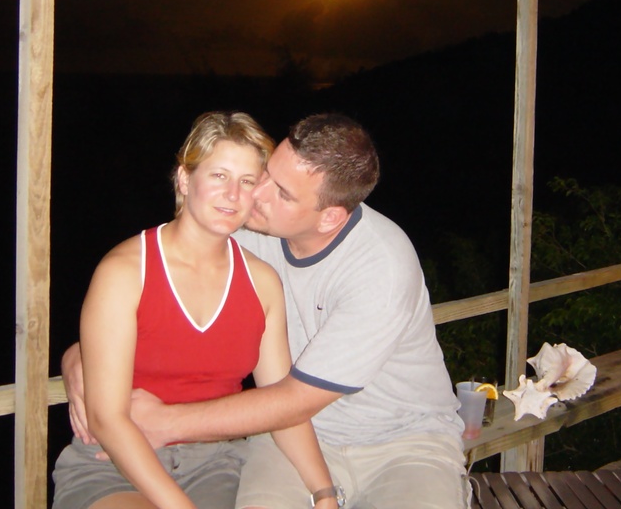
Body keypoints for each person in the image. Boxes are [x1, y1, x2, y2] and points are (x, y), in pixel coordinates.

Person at [65, 113, 466, 509]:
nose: (253, 194)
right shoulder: (240, 230)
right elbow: (155, 291)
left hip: (399, 440)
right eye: (265, 175)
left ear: (329, 217)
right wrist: (80, 355)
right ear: (184, 179)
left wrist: (323, 492)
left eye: (272, 189)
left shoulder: (377, 267)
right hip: (206, 446)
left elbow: (291, 399)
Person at [52, 112, 340, 509]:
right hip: (115, 462)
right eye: (219, 175)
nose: (232, 194)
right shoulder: (125, 271)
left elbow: (281, 404)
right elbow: (107, 419)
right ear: (185, 179)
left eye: (247, 181)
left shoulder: (262, 283)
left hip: (216, 465)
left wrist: (324, 493)